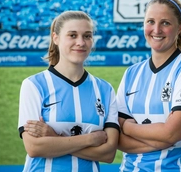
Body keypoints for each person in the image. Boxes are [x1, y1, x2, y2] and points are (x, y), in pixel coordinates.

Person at [17, 11, 120, 172]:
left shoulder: (105, 90)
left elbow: (108, 154)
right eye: (72, 35)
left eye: (87, 36)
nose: (81, 42)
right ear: (55, 38)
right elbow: (34, 147)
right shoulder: (34, 85)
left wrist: (54, 139)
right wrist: (91, 139)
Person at [116, 0, 181, 171]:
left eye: (165, 23)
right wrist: (162, 139)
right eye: (150, 21)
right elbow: (116, 138)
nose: (156, 30)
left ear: (180, 27)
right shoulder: (131, 73)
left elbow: (172, 133)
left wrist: (128, 126)